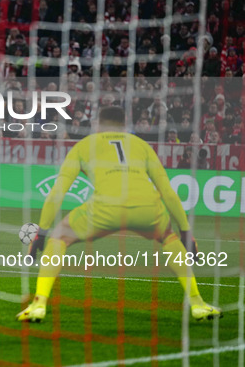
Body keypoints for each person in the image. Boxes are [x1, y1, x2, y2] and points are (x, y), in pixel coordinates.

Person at [18, 106, 222, 322]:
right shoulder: (142, 146)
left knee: (59, 237)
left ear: (97, 124)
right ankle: (198, 303)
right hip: (147, 207)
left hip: (105, 207)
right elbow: (168, 193)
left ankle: (39, 304)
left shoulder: (83, 146)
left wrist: (42, 232)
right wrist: (185, 232)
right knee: (169, 237)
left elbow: (57, 193)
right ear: (125, 125)